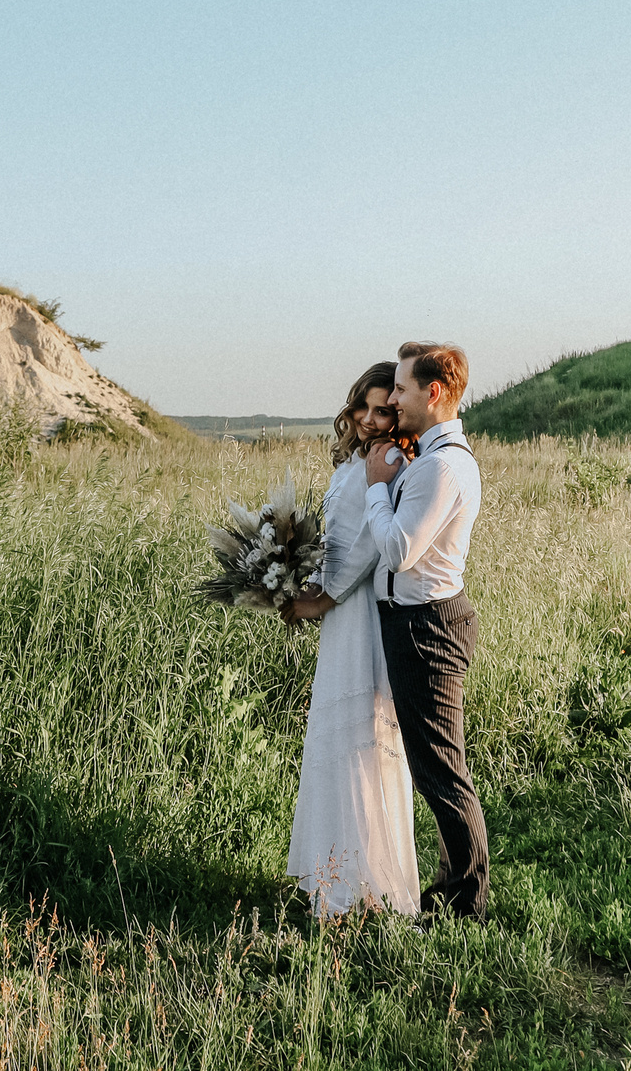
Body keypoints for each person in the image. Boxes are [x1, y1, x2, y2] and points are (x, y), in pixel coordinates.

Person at [279, 363, 421, 917]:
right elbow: (337, 537)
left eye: (383, 409)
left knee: (361, 740)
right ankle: (340, 876)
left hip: (359, 609)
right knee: (341, 741)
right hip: (341, 605)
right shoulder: (359, 459)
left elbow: (364, 547)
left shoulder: (388, 459)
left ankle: (367, 888)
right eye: (362, 405)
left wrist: (321, 597)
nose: (367, 419)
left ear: (399, 413)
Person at [360, 342, 487, 919]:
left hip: (427, 626)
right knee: (430, 761)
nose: (394, 399)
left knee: (440, 764)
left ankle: (466, 900)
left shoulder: (441, 466)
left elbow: (398, 549)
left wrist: (373, 486)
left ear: (433, 392)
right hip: (415, 622)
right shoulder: (432, 460)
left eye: (404, 390)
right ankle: (454, 885)